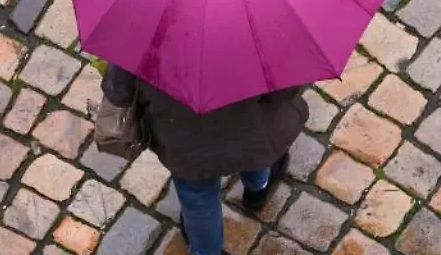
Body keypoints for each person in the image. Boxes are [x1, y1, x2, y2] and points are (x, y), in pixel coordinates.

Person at [100, 64, 309, 255]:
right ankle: (257, 191)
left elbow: (118, 92)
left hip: (186, 146)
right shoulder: (260, 41)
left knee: (198, 200)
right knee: (256, 159)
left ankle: (205, 250)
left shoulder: (145, 41)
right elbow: (286, 91)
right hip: (249, 132)